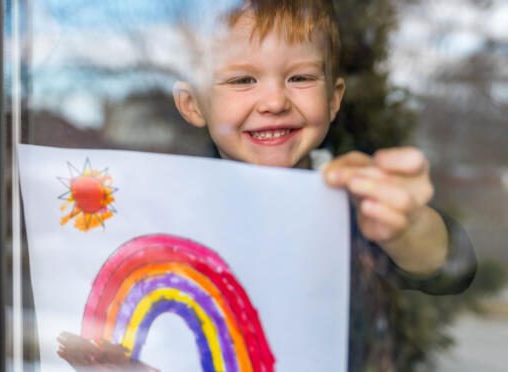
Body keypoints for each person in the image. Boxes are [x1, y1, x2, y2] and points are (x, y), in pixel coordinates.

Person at [171, 0, 476, 370]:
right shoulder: (172, 209)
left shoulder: (354, 202)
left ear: (333, 100)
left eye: (300, 78)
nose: (274, 101)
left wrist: (408, 227)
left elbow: (448, 268)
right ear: (192, 105)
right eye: (241, 80)